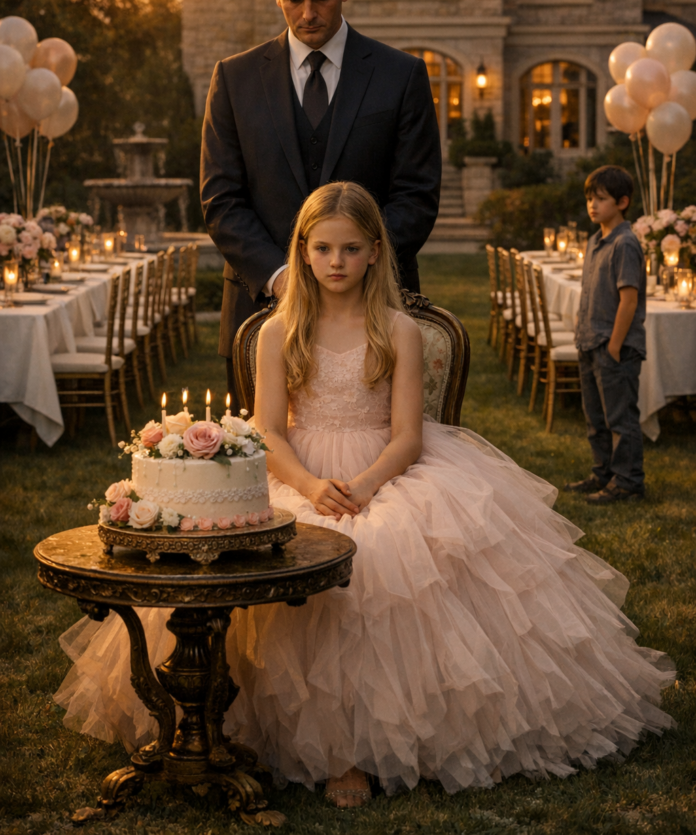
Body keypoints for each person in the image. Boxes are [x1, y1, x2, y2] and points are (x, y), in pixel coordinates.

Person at [56, 182, 674, 809]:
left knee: (377, 558)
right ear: (303, 250)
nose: (336, 262)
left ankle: (356, 750)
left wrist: (367, 484)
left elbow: (408, 435)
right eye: (323, 248)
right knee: (285, 555)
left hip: (389, 470)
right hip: (296, 472)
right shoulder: (279, 331)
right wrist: (309, 484)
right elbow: (268, 429)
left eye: (351, 249)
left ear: (376, 252)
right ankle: (263, 730)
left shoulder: (398, 330)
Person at [199, 0, 441, 406]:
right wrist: (284, 277)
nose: (307, 13)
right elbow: (220, 198)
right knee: (259, 469)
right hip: (261, 310)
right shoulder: (234, 78)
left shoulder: (401, 75)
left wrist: (354, 271)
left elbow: (416, 194)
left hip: (375, 314)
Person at [564, 166, 647, 505]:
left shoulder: (625, 244)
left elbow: (628, 300)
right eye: (589, 199)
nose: (592, 205)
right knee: (595, 418)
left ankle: (628, 482)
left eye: (600, 199)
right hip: (590, 341)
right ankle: (603, 472)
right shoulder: (595, 240)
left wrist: (614, 346)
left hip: (614, 348)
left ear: (622, 202)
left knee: (620, 418)